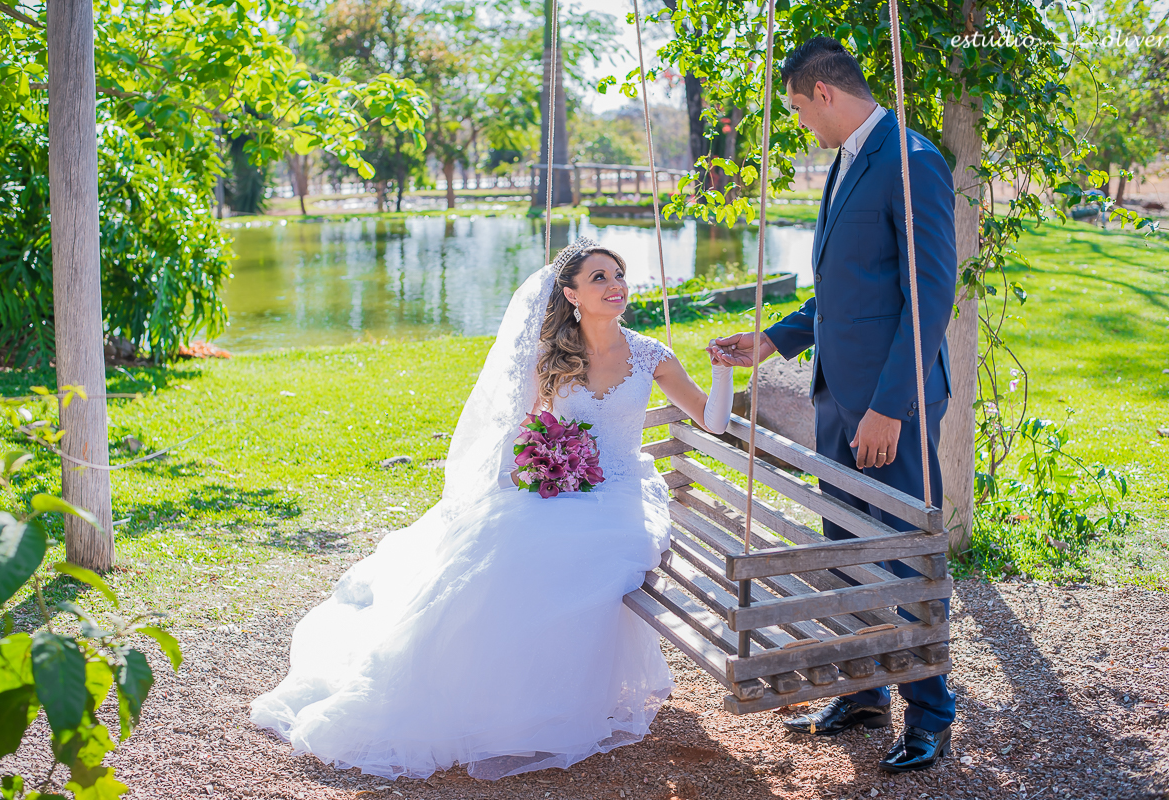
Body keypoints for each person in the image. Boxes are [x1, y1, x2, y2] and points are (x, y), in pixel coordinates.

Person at [252, 238, 735, 781]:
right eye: (598, 277)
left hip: (622, 494)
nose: (614, 285)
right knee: (507, 551)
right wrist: (540, 465)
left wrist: (721, 370)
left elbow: (711, 420)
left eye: (618, 274)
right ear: (572, 294)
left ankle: (564, 698)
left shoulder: (652, 355)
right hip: (560, 487)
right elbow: (524, 428)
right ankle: (482, 696)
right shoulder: (551, 357)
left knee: (591, 558)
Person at [709, 36, 957, 773]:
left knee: (901, 552)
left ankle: (930, 712)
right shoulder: (847, 161)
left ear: (822, 93)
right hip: (835, 396)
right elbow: (846, 288)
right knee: (846, 549)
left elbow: (929, 295)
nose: (800, 124)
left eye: (796, 108)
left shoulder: (912, 162)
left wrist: (891, 405)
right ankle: (863, 690)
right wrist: (774, 342)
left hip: (891, 403)